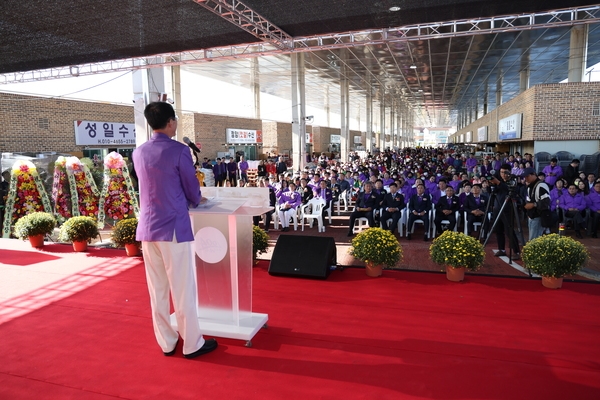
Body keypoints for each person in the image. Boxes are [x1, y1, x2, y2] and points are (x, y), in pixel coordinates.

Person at [133, 102, 217, 359]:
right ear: (170, 122)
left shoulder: (138, 152)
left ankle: (167, 342)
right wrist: (197, 198)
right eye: (176, 119)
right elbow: (191, 189)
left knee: (157, 289)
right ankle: (192, 343)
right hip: (172, 228)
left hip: (148, 229)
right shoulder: (179, 151)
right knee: (182, 288)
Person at [489, 165, 521, 259]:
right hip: (497, 208)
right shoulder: (500, 181)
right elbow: (494, 192)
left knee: (509, 231)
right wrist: (491, 184)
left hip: (508, 209)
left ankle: (516, 251)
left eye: (505, 172)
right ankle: (501, 249)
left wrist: (498, 183)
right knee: (498, 230)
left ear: (510, 172)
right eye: (502, 172)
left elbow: (508, 189)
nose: (503, 174)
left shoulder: (513, 181)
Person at [521, 167, 551, 241]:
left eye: (527, 176)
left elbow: (546, 202)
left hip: (538, 217)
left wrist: (534, 204)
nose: (526, 178)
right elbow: (528, 201)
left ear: (534, 174)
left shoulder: (541, 185)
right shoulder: (529, 187)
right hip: (531, 216)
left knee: (534, 240)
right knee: (532, 239)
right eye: (524, 176)